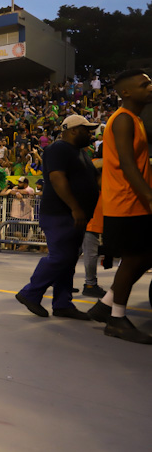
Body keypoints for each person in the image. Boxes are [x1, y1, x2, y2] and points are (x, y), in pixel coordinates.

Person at [88, 70, 152, 343]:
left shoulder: (134, 119)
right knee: (135, 259)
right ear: (125, 92)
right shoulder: (124, 119)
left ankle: (106, 305)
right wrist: (149, 196)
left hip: (132, 203)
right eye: (144, 84)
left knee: (144, 255)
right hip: (127, 203)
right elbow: (127, 163)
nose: (150, 87)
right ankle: (116, 319)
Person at [15, 114, 99, 321]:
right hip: (60, 213)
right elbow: (57, 178)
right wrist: (75, 207)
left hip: (73, 215)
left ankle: (62, 303)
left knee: (68, 260)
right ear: (71, 130)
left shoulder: (78, 152)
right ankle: (30, 293)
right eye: (85, 129)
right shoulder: (58, 148)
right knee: (60, 256)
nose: (90, 133)